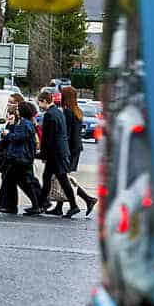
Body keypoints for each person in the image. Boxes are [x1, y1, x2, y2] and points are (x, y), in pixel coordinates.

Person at [36, 91, 80, 217]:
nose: (39, 105)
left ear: (44, 101)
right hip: (59, 152)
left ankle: (74, 206)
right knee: (47, 178)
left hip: (55, 154)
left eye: (39, 102)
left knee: (63, 180)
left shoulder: (49, 115)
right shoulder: (58, 112)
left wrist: (43, 154)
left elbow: (48, 138)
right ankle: (41, 204)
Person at [60, 86, 98, 215]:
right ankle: (60, 206)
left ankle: (87, 199)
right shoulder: (77, 111)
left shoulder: (67, 112)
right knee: (64, 176)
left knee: (64, 177)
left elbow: (67, 133)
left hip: (69, 148)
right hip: (76, 147)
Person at [4, 101, 44, 215]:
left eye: (18, 109)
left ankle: (35, 206)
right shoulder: (23, 122)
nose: (16, 111)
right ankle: (13, 206)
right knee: (13, 181)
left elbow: (20, 137)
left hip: (21, 158)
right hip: (19, 157)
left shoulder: (25, 123)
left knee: (25, 182)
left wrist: (8, 135)